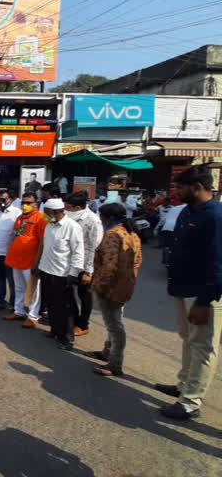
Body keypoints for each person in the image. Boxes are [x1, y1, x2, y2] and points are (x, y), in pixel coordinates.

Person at [156, 166, 222, 420]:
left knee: (204, 346)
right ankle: (184, 386)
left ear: (197, 187)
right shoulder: (187, 211)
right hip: (183, 288)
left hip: (203, 293)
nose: (176, 192)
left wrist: (205, 302)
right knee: (188, 339)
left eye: (181, 188)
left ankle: (191, 402)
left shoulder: (215, 216)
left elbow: (218, 264)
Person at [86, 203, 142, 377]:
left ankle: (115, 363)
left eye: (101, 216)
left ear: (109, 218)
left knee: (114, 325)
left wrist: (99, 286)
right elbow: (137, 260)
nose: (100, 220)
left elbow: (109, 266)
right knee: (115, 321)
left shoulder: (112, 235)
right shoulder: (131, 233)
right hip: (125, 285)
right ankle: (107, 351)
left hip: (111, 287)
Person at [34, 198, 84, 351]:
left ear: (55, 212)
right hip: (47, 270)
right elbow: (46, 248)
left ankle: (67, 338)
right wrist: (39, 266)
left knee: (65, 307)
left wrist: (74, 273)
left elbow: (78, 252)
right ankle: (55, 331)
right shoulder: (49, 225)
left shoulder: (72, 227)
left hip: (63, 274)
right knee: (50, 303)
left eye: (46, 213)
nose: (44, 215)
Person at [3, 193, 47, 328]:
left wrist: (37, 261)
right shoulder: (20, 218)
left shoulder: (42, 218)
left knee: (32, 290)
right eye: (23, 202)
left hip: (30, 260)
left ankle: (33, 316)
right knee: (19, 287)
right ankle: (19, 311)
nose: (25, 205)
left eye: (29, 203)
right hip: (16, 258)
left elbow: (43, 242)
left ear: (36, 204)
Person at [64, 191, 104, 337]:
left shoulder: (93, 221)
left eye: (68, 207)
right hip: (70, 261)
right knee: (68, 292)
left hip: (85, 263)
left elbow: (95, 246)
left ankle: (83, 324)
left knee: (84, 295)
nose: (65, 210)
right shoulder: (68, 218)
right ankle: (72, 320)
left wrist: (89, 271)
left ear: (77, 207)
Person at [0, 190, 21, 309]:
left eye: (4, 199)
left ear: (10, 199)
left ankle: (13, 304)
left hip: (8, 254)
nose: (1, 202)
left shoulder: (17, 214)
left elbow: (18, 235)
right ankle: (0, 300)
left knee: (12, 281)